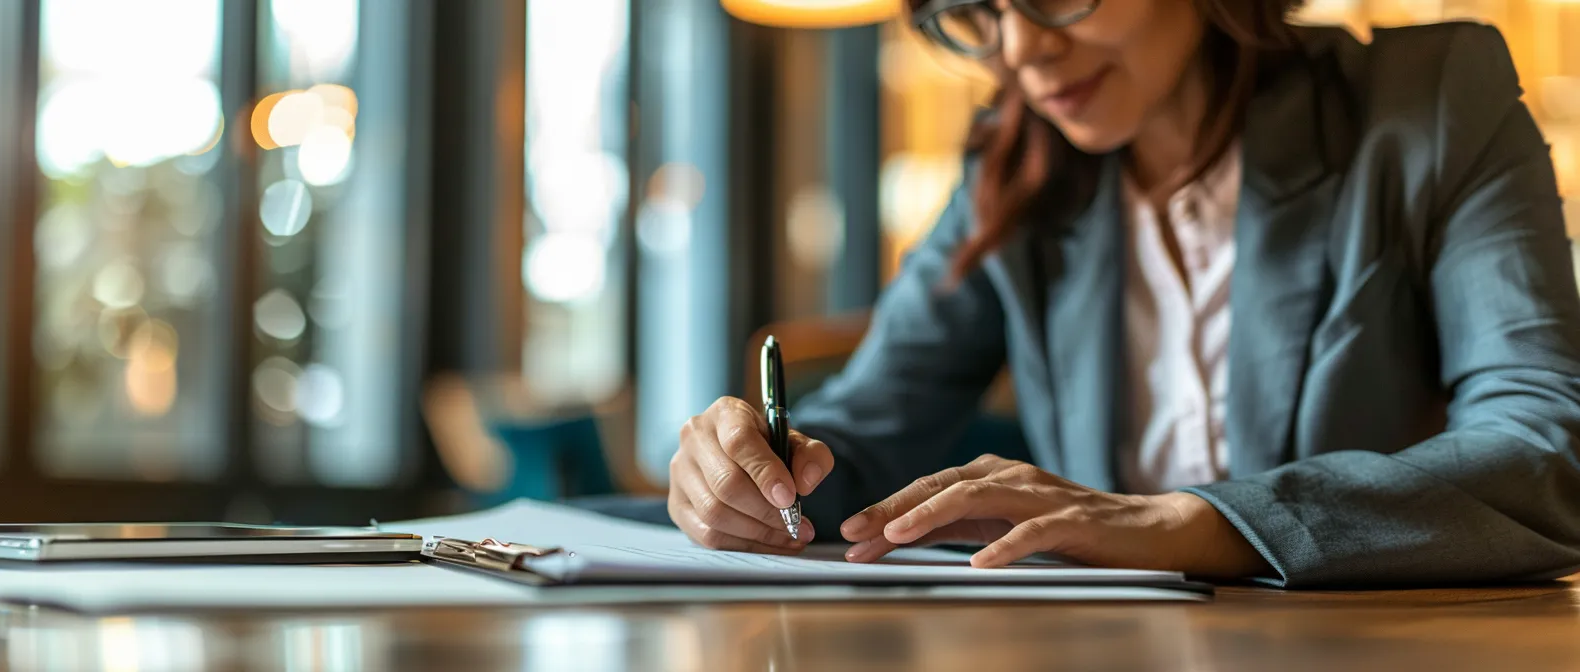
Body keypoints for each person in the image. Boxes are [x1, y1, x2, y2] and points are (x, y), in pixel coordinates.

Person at [667, 0, 1580, 587]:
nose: (1020, 50)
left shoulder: (1428, 104)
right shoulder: (1016, 166)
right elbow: (869, 434)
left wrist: (1197, 522)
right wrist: (756, 473)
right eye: (975, 10)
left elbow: (1541, 447)